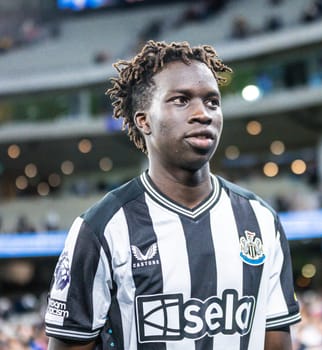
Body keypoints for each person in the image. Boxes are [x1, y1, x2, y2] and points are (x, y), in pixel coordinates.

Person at [44, 40, 301, 350]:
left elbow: (276, 342)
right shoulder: (102, 228)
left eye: (212, 102)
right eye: (181, 100)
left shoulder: (259, 219)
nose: (202, 114)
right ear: (144, 120)